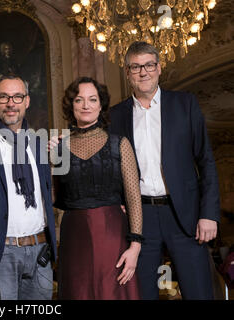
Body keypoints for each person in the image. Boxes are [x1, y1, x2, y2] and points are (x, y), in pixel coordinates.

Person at [109, 41, 220, 299]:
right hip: (140, 218)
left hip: (186, 216)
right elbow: (110, 167)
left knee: (198, 292)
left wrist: (209, 214)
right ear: (127, 73)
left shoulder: (185, 104)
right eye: (135, 67)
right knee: (143, 293)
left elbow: (206, 160)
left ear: (159, 68)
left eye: (148, 65)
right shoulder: (115, 116)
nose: (143, 72)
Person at [51, 77, 143, 300]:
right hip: (74, 236)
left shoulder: (119, 144)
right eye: (79, 100)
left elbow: (133, 198)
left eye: (92, 99)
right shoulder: (58, 146)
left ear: (100, 105)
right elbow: (54, 197)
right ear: (71, 105)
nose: (85, 105)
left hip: (113, 236)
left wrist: (135, 246)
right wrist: (51, 159)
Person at [0, 74, 57, 300]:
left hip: (40, 251)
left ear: (27, 101)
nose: (11, 103)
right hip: (2, 253)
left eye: (17, 97)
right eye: (4, 97)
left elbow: (48, 195)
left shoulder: (39, 144)